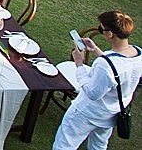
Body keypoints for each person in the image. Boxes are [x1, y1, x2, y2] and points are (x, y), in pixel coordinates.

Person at [53, 10, 140, 150]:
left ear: (110, 34)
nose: (101, 31)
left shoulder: (104, 65)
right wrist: (95, 50)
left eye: (101, 29)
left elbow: (92, 93)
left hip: (87, 113)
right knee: (98, 146)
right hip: (110, 114)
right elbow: (117, 70)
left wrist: (79, 64)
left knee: (64, 145)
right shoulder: (137, 54)